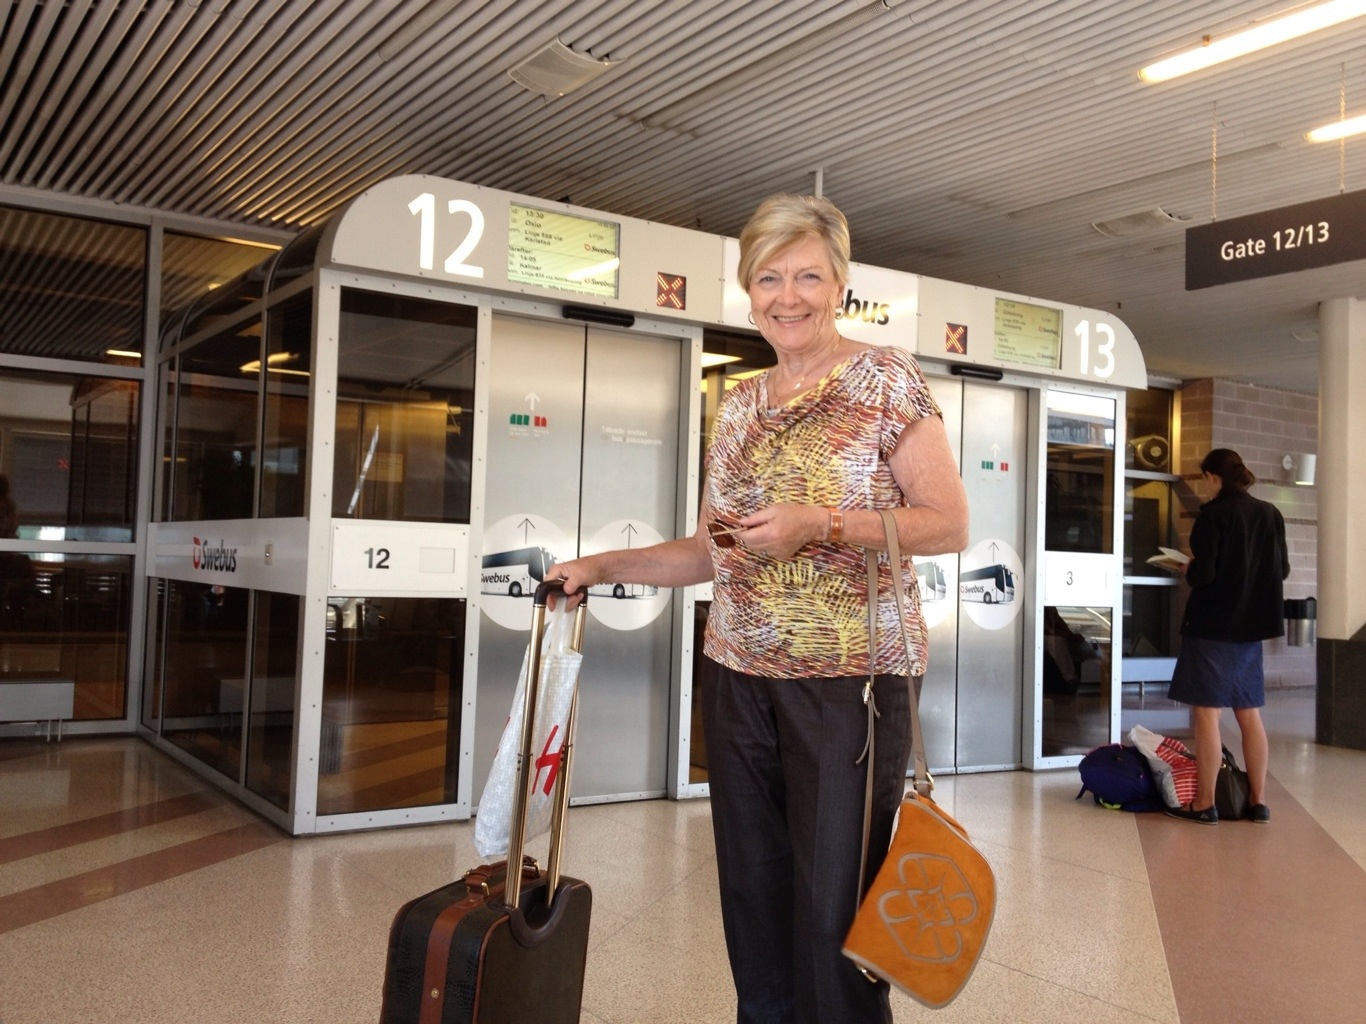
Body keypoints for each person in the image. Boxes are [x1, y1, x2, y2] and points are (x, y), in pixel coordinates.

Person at [552, 194, 969, 1024]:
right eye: (769, 278)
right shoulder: (741, 402)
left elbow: (948, 524)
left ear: (840, 285)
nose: (789, 296)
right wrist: (599, 566)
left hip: (850, 683)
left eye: (808, 276)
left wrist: (822, 524)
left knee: (834, 910)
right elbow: (712, 549)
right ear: (749, 292)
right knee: (753, 892)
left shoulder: (886, 379)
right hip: (738, 676)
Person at [1165, 448, 1288, 825]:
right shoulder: (1270, 514)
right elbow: (1281, 569)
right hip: (1251, 630)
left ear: (1212, 477)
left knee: (1207, 714)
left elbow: (1205, 575)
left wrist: (1189, 567)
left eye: (1205, 479)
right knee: (1248, 713)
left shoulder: (1213, 516)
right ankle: (1258, 801)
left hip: (1212, 628)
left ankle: (1204, 803)